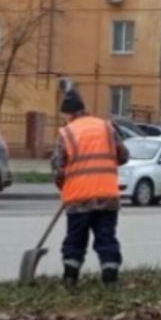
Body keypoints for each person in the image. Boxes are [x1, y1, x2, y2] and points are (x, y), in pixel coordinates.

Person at [51, 89, 130, 287]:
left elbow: (58, 167)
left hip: (78, 199)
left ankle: (70, 279)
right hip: (107, 197)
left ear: (68, 113)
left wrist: (63, 187)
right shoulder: (106, 127)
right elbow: (123, 156)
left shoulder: (67, 132)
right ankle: (110, 280)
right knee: (106, 239)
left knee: (75, 241)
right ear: (83, 109)